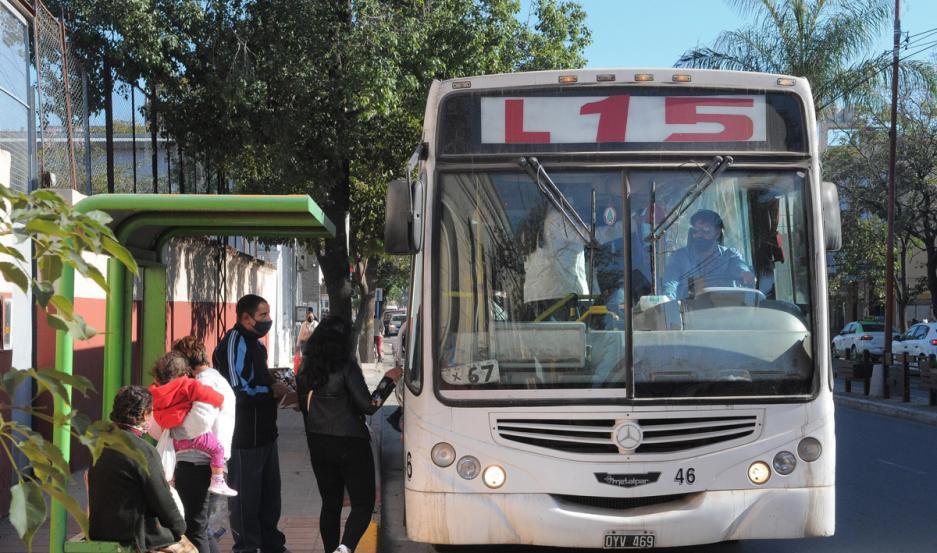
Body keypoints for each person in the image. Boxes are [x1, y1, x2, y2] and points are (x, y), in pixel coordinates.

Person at [296, 316, 402, 553]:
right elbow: (369, 405)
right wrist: (387, 382)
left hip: (318, 443)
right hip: (351, 443)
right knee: (363, 503)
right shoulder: (346, 366)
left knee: (330, 504)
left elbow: (305, 409)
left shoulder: (305, 367)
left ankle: (331, 549)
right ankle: (345, 548)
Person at [213, 294, 289, 553]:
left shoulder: (256, 344)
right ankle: (248, 548)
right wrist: (270, 391)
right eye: (263, 315)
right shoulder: (235, 343)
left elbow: (255, 378)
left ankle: (272, 545)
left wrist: (275, 381)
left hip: (267, 434)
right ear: (246, 318)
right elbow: (237, 390)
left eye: (268, 314)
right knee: (246, 500)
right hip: (244, 438)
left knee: (270, 498)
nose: (268, 320)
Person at [88, 385, 192, 552]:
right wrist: (180, 527)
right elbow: (161, 498)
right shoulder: (143, 450)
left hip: (99, 530)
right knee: (190, 550)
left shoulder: (101, 443)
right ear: (145, 414)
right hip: (133, 535)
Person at [172, 336, 237, 553]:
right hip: (205, 463)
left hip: (197, 463)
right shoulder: (214, 378)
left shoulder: (204, 382)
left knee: (195, 530)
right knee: (201, 529)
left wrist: (173, 426)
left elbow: (199, 421)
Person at [149, 351, 237, 497]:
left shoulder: (154, 392)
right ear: (184, 373)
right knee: (218, 450)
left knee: (167, 460)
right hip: (196, 438)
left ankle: (169, 483)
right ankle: (218, 480)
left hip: (173, 439)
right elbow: (206, 394)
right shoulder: (187, 385)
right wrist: (220, 401)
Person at [661, 209, 755, 300]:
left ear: (717, 233)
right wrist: (669, 301)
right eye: (696, 230)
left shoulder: (730, 256)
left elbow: (740, 267)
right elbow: (670, 283)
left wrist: (745, 274)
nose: (699, 234)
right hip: (689, 312)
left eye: (705, 230)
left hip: (727, 311)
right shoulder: (679, 257)